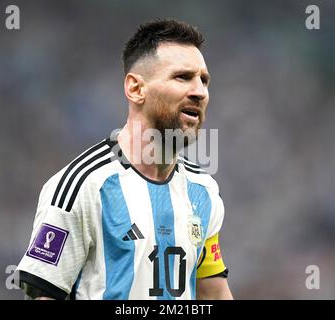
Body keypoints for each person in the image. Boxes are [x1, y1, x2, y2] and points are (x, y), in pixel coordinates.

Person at [16, 19, 233, 300]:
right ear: (135, 89)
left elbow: (213, 293)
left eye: (204, 80)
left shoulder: (203, 190)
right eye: (182, 77)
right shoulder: (82, 186)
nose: (200, 91)